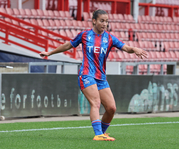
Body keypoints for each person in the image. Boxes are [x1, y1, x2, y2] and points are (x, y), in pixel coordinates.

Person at [40, 9, 148, 141]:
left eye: (107, 21)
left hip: (101, 78)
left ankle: (101, 132)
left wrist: (135, 49)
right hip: (86, 74)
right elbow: (68, 45)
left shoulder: (109, 38)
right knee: (95, 102)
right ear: (94, 21)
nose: (105, 24)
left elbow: (125, 48)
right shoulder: (84, 35)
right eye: (102, 21)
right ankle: (98, 135)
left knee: (111, 108)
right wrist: (50, 53)